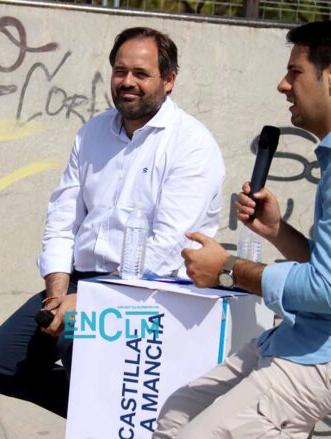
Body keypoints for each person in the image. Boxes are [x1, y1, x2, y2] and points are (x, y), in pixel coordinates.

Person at [0, 27, 224, 418]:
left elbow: (169, 247)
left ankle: (110, 417)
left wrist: (91, 305)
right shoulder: (92, 133)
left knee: (75, 345)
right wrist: (58, 293)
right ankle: (118, 417)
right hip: (80, 280)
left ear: (169, 80)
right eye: (120, 71)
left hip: (151, 292)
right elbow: (62, 218)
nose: (127, 82)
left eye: (141, 74)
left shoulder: (192, 144)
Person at [154, 20, 331, 439]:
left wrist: (228, 268)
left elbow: (326, 287)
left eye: (295, 72)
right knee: (177, 415)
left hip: (318, 357)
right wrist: (278, 232)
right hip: (297, 337)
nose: (283, 85)